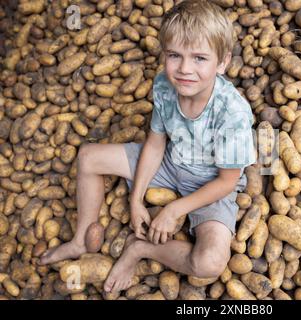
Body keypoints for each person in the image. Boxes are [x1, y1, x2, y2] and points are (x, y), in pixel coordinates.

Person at [38, 0, 256, 293]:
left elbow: (228, 181)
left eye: (200, 59)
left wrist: (173, 210)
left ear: (223, 62)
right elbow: (155, 143)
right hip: (170, 163)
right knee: (88, 157)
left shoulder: (233, 113)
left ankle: (140, 249)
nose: (185, 69)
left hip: (210, 183)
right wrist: (136, 199)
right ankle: (79, 241)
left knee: (209, 263)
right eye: (174, 55)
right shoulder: (165, 85)